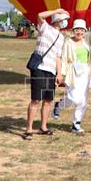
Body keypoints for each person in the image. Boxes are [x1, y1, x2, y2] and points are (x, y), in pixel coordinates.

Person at [22, 9, 67, 140]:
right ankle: (29, 129)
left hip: (52, 71)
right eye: (64, 19)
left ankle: (43, 127)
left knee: (48, 100)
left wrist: (59, 74)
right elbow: (39, 15)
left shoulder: (61, 37)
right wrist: (58, 10)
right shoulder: (45, 28)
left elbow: (58, 56)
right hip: (39, 68)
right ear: (58, 20)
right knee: (36, 99)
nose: (65, 22)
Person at [52, 19, 91, 135]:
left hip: (85, 73)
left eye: (81, 30)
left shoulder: (87, 43)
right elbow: (63, 58)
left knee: (83, 101)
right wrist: (61, 74)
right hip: (72, 73)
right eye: (77, 30)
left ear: (84, 31)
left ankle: (76, 124)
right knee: (73, 98)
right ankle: (58, 106)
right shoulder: (68, 42)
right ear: (73, 31)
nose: (79, 32)